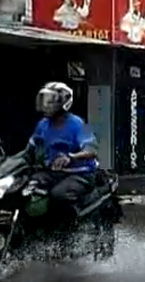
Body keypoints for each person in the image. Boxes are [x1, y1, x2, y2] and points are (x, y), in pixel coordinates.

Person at [26, 82, 98, 216]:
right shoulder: (42, 124)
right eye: (45, 100)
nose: (46, 105)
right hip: (53, 173)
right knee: (27, 187)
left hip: (80, 174)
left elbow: (92, 150)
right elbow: (31, 148)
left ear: (63, 103)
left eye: (51, 101)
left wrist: (70, 157)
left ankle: (71, 230)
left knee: (57, 195)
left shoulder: (79, 123)